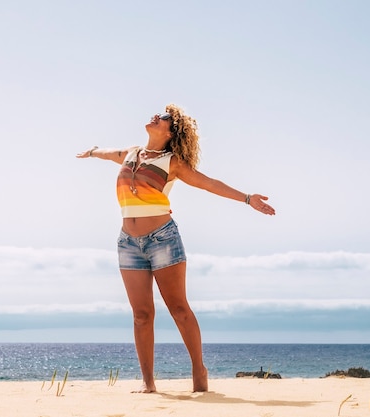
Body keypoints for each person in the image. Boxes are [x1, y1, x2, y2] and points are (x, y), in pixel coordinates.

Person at [76, 104, 275, 393]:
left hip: (162, 239)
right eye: (158, 114)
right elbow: (109, 153)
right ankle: (148, 384)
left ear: (171, 132)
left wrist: (247, 198)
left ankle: (199, 370)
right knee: (141, 314)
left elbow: (208, 184)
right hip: (128, 243)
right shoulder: (130, 153)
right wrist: (93, 151)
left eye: (164, 118)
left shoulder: (173, 163)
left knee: (179, 308)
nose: (156, 117)